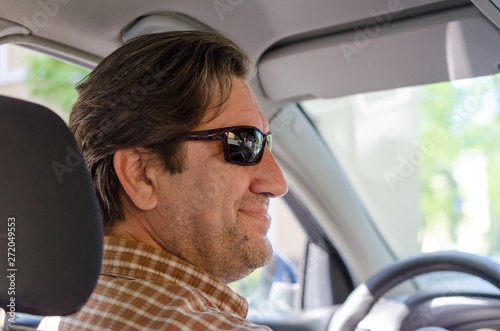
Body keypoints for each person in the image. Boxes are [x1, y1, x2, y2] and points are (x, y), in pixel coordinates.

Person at [58, 31, 288, 330]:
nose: (278, 183)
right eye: (244, 144)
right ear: (141, 174)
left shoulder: (65, 315)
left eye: (265, 143)